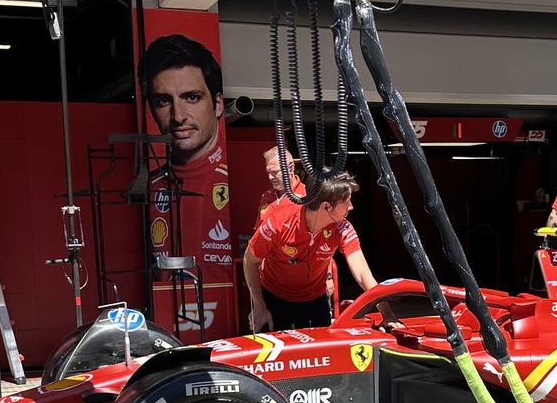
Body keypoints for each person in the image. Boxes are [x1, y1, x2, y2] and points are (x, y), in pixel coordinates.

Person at [140, 33, 233, 333]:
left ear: (218, 104)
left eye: (192, 97)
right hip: (169, 327)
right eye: (164, 101)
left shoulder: (243, 181)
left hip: (227, 325)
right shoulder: (151, 187)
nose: (178, 116)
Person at [245, 172, 378, 331]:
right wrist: (259, 306)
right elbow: (249, 260)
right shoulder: (278, 222)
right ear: (326, 207)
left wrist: (387, 314)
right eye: (346, 201)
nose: (351, 207)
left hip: (315, 298)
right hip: (275, 297)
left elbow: (363, 274)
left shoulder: (341, 227)